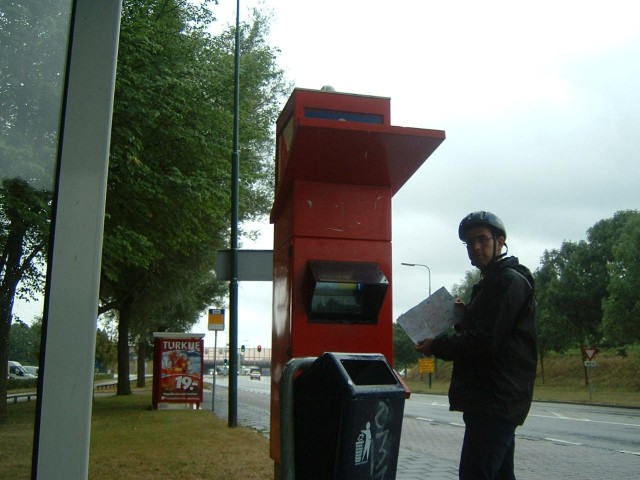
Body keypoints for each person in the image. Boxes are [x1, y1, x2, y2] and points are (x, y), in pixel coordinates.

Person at [416, 211, 537, 480]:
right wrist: (465, 318)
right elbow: (490, 332)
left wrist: (436, 345)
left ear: (500, 241)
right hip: (491, 397)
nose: (476, 248)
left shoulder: (508, 281)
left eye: (482, 240)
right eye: (469, 243)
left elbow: (486, 342)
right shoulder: (491, 282)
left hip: (496, 398)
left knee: (475, 474)